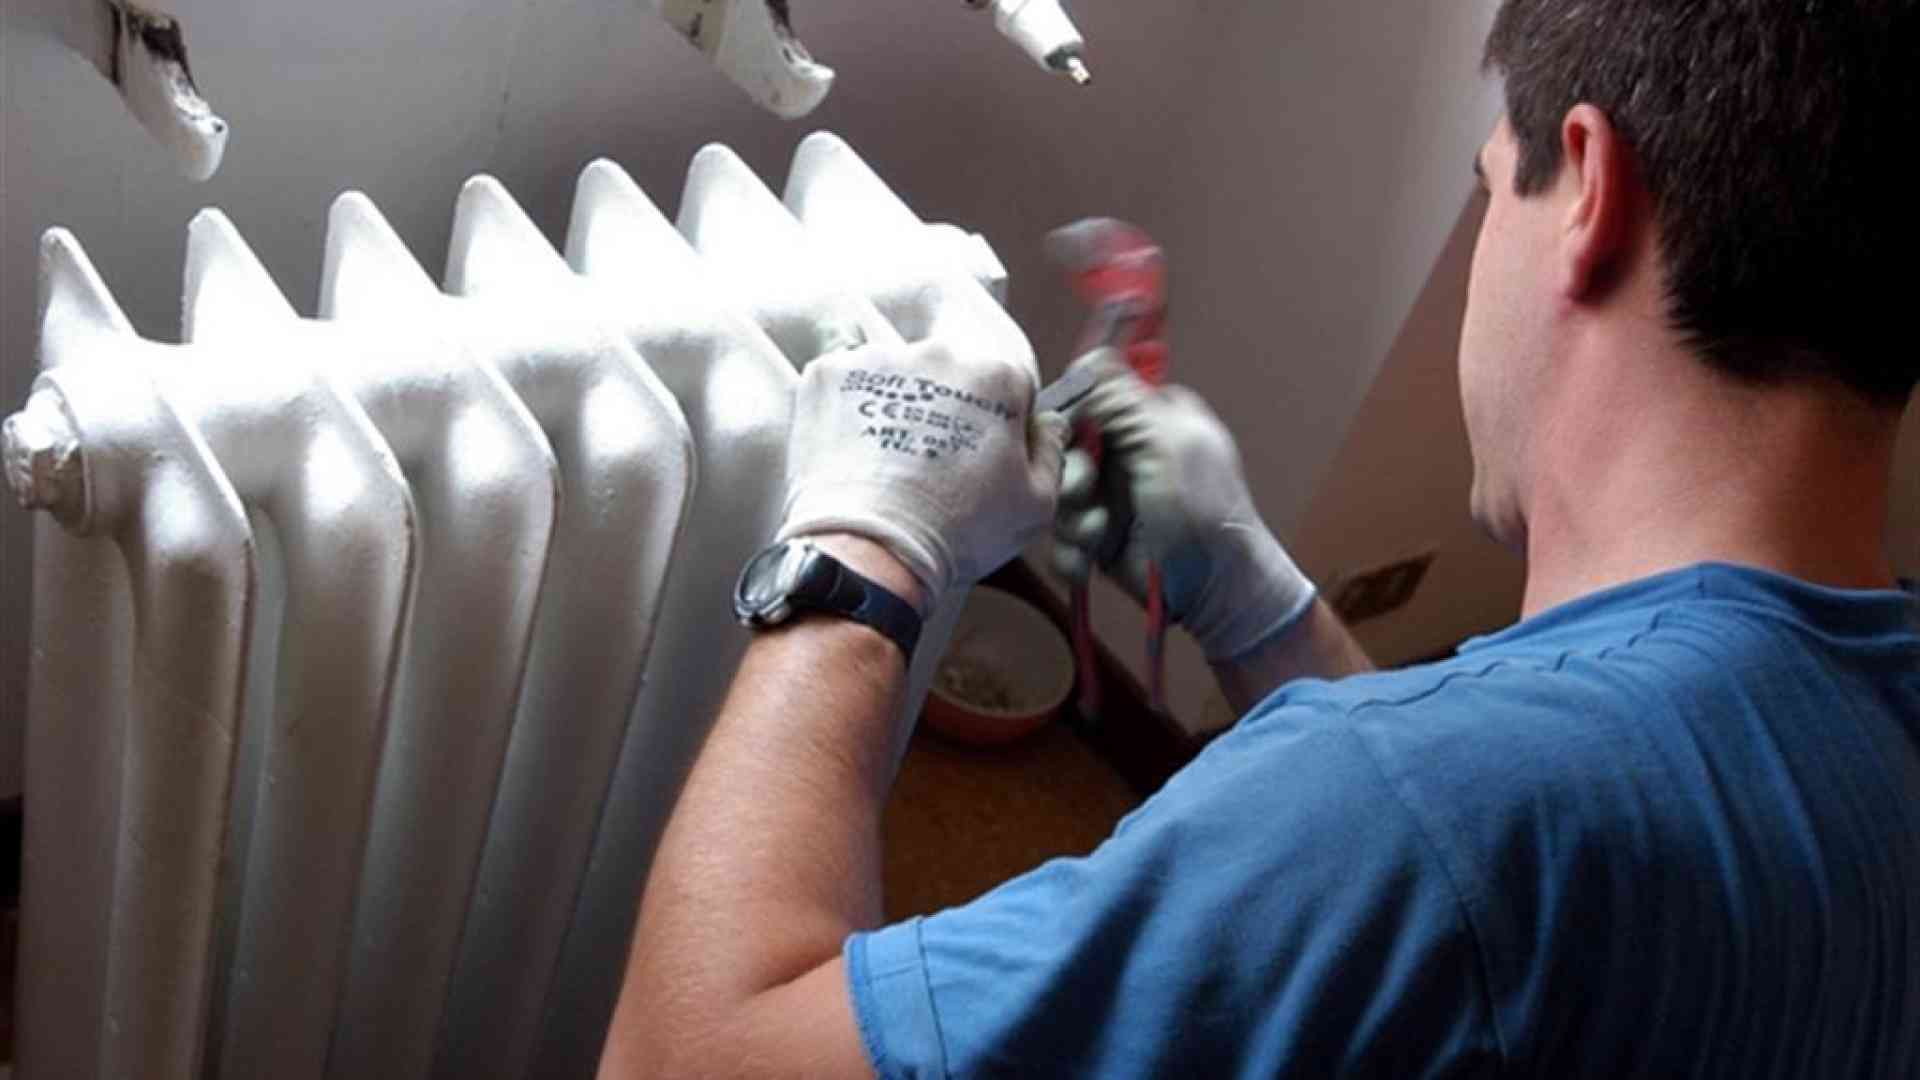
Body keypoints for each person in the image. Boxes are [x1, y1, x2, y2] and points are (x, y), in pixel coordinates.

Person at [597, 1, 1920, 1075]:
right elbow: (1498, 914)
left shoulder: (1416, 825)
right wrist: (1262, 608)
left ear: (1587, 192)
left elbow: (681, 1063)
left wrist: (859, 540)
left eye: (1488, 192)